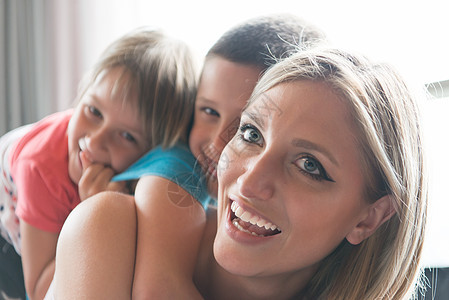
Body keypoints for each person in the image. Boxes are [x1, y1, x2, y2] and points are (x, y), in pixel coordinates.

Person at [52, 47, 427, 299]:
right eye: (251, 134)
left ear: (369, 218)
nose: (248, 182)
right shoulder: (113, 234)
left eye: (309, 166)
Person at [49, 14, 326, 299]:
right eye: (209, 112)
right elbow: (158, 288)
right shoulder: (174, 170)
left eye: (249, 131)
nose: (220, 142)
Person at [0, 28, 198, 300]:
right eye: (93, 111)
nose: (94, 141)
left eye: (127, 136)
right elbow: (38, 290)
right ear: (81, 96)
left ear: (152, 153)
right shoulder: (39, 169)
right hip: (9, 224)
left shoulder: (155, 174)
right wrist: (90, 212)